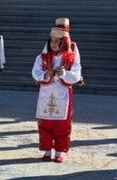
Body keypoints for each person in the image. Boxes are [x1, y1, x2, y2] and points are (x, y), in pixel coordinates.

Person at [32, 23, 83, 162]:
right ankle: (47, 150)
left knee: (62, 124)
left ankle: (60, 151)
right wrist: (45, 74)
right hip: (46, 93)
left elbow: (77, 74)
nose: (54, 44)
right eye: (52, 41)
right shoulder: (42, 57)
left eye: (57, 41)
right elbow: (35, 72)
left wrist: (64, 74)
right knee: (45, 122)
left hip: (62, 93)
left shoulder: (71, 57)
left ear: (64, 42)